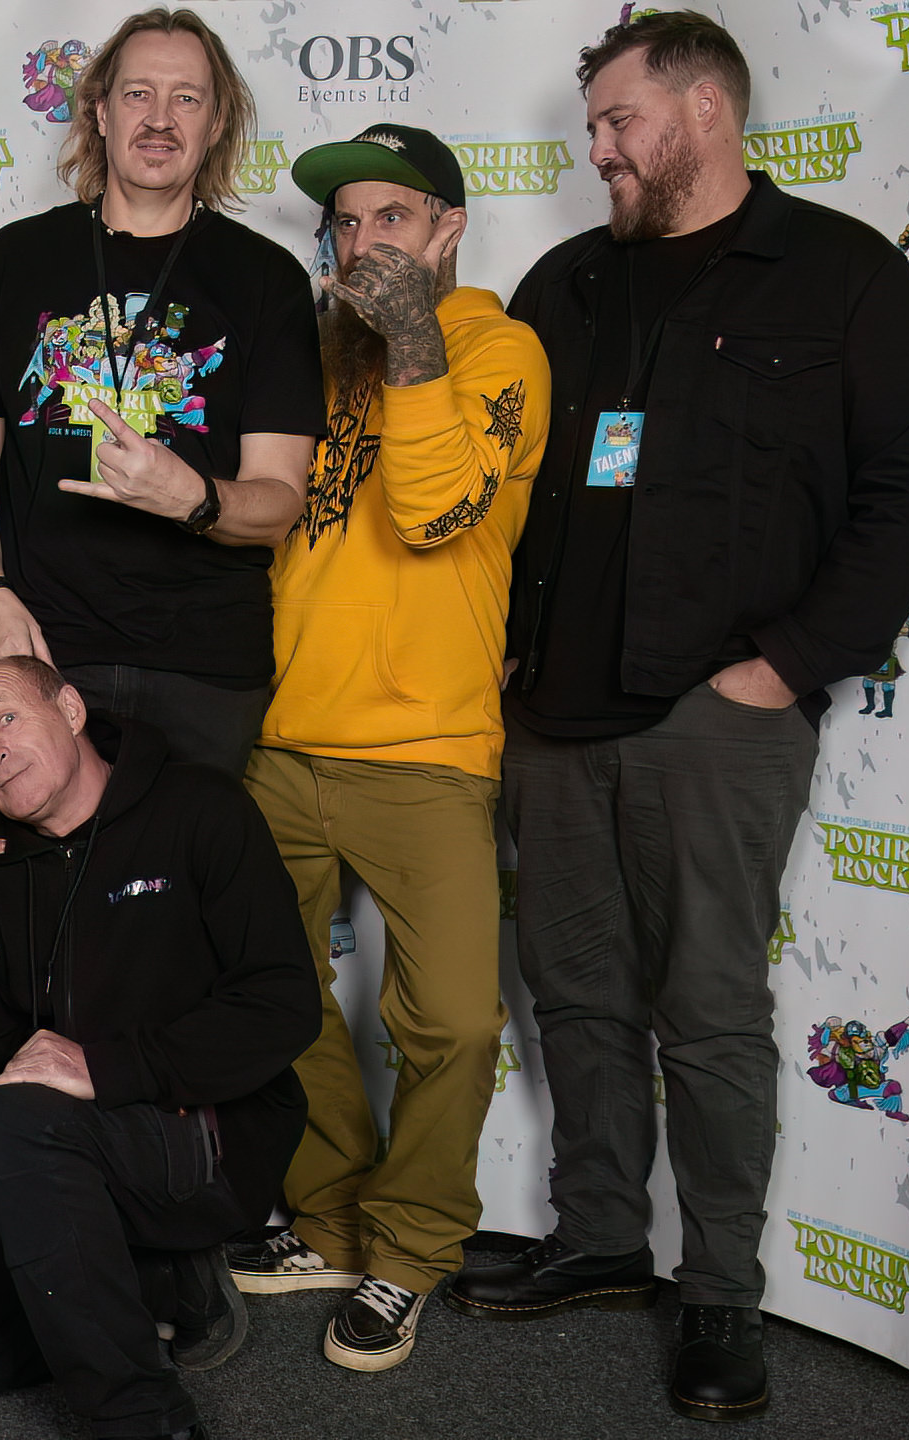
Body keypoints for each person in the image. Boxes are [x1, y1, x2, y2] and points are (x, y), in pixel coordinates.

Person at [442, 12, 909, 1424]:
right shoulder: (565, 283)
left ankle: (721, 1290)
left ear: (707, 111)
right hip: (551, 714)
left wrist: (788, 665)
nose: (597, 150)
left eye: (619, 123)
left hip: (714, 713)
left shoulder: (839, 274)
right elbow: (503, 479)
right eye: (591, 129)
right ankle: (602, 1239)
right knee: (577, 997)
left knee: (712, 1011)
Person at [228, 125, 550, 1372]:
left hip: (428, 747)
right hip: (284, 735)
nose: (363, 243)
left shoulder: (496, 348)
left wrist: (412, 336)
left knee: (454, 1022)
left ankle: (410, 1251)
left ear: (448, 228)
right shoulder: (315, 358)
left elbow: (433, 511)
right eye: (347, 223)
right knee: (274, 997)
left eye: (393, 219)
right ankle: (330, 1221)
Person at [0, 658, 319, 1440]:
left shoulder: (201, 808)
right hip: (57, 1158)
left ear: (70, 709)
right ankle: (154, 1283)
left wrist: (104, 1066)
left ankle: (144, 1417)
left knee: (14, 1127)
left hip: (204, 1142)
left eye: (5, 718)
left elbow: (282, 1006)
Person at [0, 6, 322, 778]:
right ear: (99, 111)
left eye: (187, 98)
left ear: (217, 122)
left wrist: (192, 496)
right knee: (39, 860)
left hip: (204, 668)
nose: (160, 118)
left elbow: (280, 501)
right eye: (138, 94)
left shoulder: (268, 280)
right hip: (43, 650)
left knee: (188, 859)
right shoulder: (15, 260)